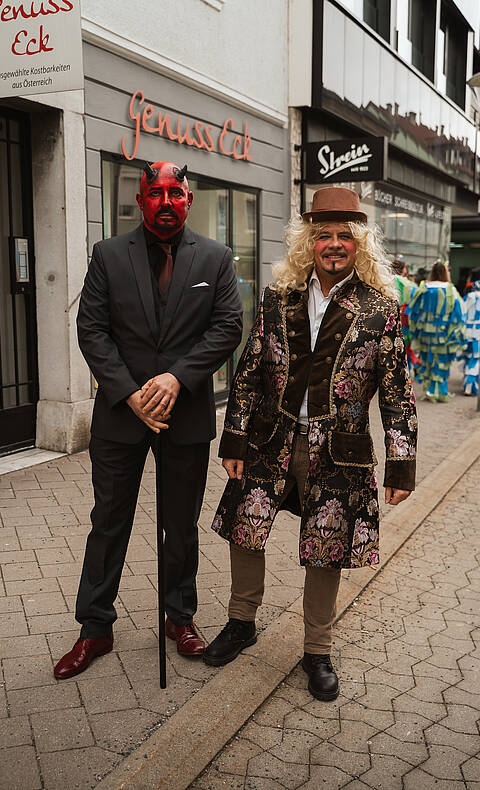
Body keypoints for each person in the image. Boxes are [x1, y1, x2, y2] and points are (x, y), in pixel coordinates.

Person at [204, 187, 417, 702]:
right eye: (324, 235)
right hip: (270, 439)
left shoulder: (381, 309)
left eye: (345, 235)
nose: (334, 244)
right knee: (245, 528)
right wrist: (234, 438)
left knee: (327, 547)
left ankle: (317, 650)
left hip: (340, 451)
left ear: (360, 244)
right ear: (309, 242)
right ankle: (241, 621)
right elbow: (250, 371)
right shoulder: (279, 298)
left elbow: (397, 393)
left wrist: (401, 465)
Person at [53, 161, 243, 679]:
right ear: (140, 201)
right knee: (108, 523)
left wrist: (177, 378)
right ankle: (95, 628)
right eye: (155, 193)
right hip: (122, 415)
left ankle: (179, 617)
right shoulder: (108, 255)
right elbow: (92, 329)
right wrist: (130, 393)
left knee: (180, 526)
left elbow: (228, 327)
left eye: (175, 193)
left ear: (188, 200)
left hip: (185, 414)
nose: (165, 202)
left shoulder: (216, 258)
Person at [406, 261, 465, 402]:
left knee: (428, 360)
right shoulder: (450, 289)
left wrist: (415, 330)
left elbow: (414, 311)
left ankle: (430, 390)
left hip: (425, 333)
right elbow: (458, 312)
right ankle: (439, 391)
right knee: (441, 361)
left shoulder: (424, 288)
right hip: (443, 333)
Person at [391, 259, 418, 376]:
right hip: (404, 319)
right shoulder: (407, 283)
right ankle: (406, 373)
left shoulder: (384, 280)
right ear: (403, 270)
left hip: (388, 318)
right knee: (405, 347)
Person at [460, 278, 480, 395]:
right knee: (476, 358)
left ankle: (467, 384)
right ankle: (470, 385)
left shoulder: (468, 297)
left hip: (467, 332)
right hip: (478, 333)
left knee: (468, 357)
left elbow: (462, 313)